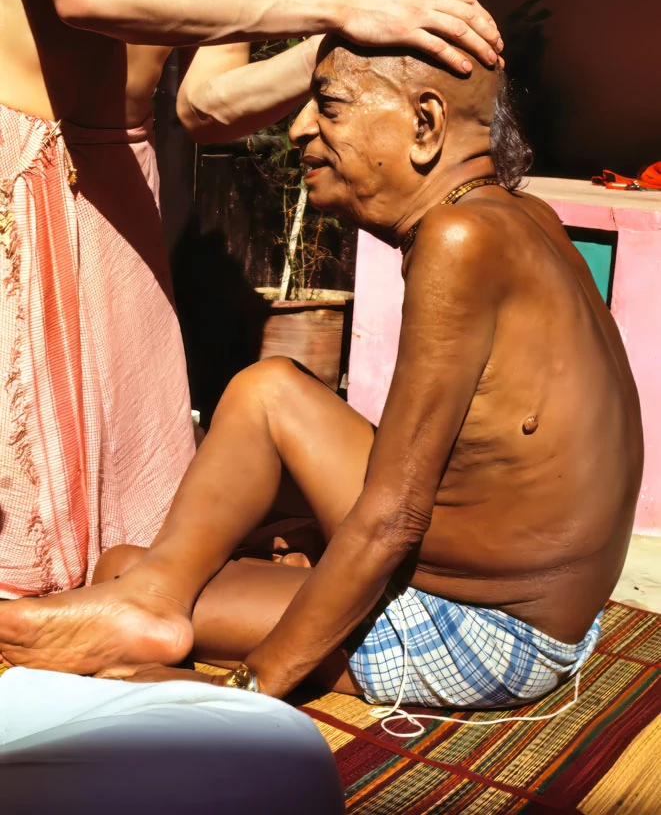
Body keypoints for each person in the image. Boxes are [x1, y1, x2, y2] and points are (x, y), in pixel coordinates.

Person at [0, 37, 643, 713]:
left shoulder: (457, 239)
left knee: (121, 568)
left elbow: (394, 516)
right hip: (551, 608)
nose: (300, 127)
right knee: (269, 392)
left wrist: (248, 689)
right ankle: (152, 598)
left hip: (485, 630)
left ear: (424, 124)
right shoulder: (518, 214)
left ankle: (152, 603)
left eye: (329, 106)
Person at [0, 0, 503, 599]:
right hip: (16, 163)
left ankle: (92, 629)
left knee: (126, 497)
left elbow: (205, 105)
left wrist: (338, 40)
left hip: (121, 185)